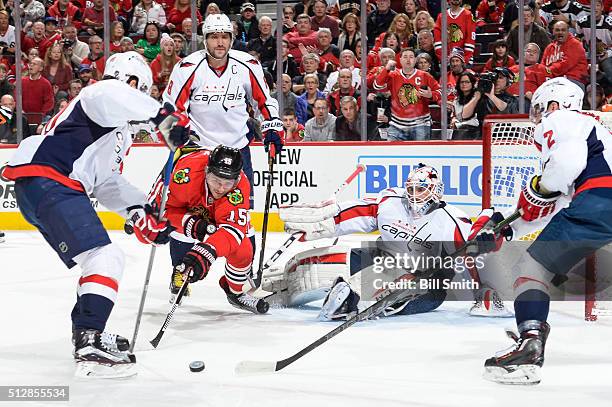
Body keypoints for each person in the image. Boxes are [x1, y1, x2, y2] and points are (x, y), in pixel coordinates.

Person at [0, 51, 189, 378]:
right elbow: (110, 91)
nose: (141, 99)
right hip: (51, 180)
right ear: (131, 84)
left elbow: (107, 184)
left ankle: (86, 331)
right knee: (107, 257)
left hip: (44, 187)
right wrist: (163, 116)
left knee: (99, 258)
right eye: (140, 91)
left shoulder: (115, 128)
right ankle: (89, 336)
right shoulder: (100, 97)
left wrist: (139, 212)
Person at [476, 77, 612, 385]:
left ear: (556, 103)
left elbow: (562, 170)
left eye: (539, 109)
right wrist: (508, 229)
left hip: (601, 203)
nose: (537, 118)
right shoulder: (595, 132)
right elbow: (555, 202)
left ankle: (529, 346)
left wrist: (537, 187)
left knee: (531, 269)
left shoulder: (563, 119)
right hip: (598, 202)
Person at [272, 164, 508, 319]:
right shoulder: (391, 201)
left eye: (422, 190)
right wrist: (320, 226)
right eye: (411, 189)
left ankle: (361, 299)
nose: (414, 196)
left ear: (436, 191)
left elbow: (474, 251)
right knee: (321, 263)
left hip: (426, 285)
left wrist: (484, 291)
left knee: (400, 283)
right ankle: (280, 287)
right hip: (384, 259)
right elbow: (359, 214)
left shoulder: (451, 222)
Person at [163, 13, 282, 277]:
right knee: (186, 211)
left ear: (231, 39)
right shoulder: (188, 68)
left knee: (241, 215)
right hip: (197, 151)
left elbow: (265, 102)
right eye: (214, 37)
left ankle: (242, 274)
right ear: (205, 39)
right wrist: (177, 128)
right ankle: (181, 269)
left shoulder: (247, 65)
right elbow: (171, 108)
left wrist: (273, 126)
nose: (220, 42)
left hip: (237, 149)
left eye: (225, 37)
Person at [154, 145, 269, 314]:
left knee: (244, 249)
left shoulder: (240, 185)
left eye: (227, 183)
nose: (221, 188)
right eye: (216, 180)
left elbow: (232, 231)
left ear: (236, 180)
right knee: (182, 229)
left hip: (220, 217)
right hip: (190, 212)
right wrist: (190, 224)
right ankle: (180, 269)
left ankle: (235, 291)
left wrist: (205, 253)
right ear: (206, 171)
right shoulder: (185, 174)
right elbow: (162, 211)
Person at [373, 47, 441, 141]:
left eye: (411, 57)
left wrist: (431, 95)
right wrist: (386, 69)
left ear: (415, 60)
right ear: (400, 60)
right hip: (397, 125)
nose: (408, 59)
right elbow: (377, 86)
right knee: (392, 153)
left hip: (420, 124)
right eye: (405, 57)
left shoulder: (425, 75)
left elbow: (440, 92)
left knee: (420, 154)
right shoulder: (393, 75)